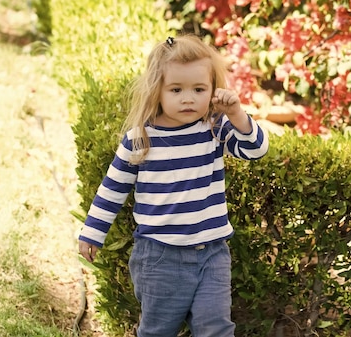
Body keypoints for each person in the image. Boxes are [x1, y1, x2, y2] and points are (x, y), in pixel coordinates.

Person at [78, 34, 269, 337]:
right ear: (158, 91)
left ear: (213, 90)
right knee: (158, 331)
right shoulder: (141, 139)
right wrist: (92, 233)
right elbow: (112, 190)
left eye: (199, 89)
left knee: (216, 329)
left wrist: (236, 114)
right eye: (176, 89)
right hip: (159, 258)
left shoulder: (214, 129)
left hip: (212, 254)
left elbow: (256, 149)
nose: (188, 98)